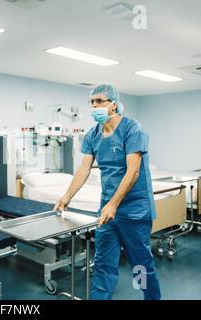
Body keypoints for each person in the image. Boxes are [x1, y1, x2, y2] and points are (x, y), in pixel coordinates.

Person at [53, 84, 161, 300]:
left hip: (134, 210)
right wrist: (67, 196)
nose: (94, 106)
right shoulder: (92, 134)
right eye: (91, 102)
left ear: (113, 104)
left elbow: (133, 172)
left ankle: (151, 297)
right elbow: (83, 169)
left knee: (140, 265)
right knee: (103, 263)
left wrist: (113, 204)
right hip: (106, 212)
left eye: (99, 101)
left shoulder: (132, 128)